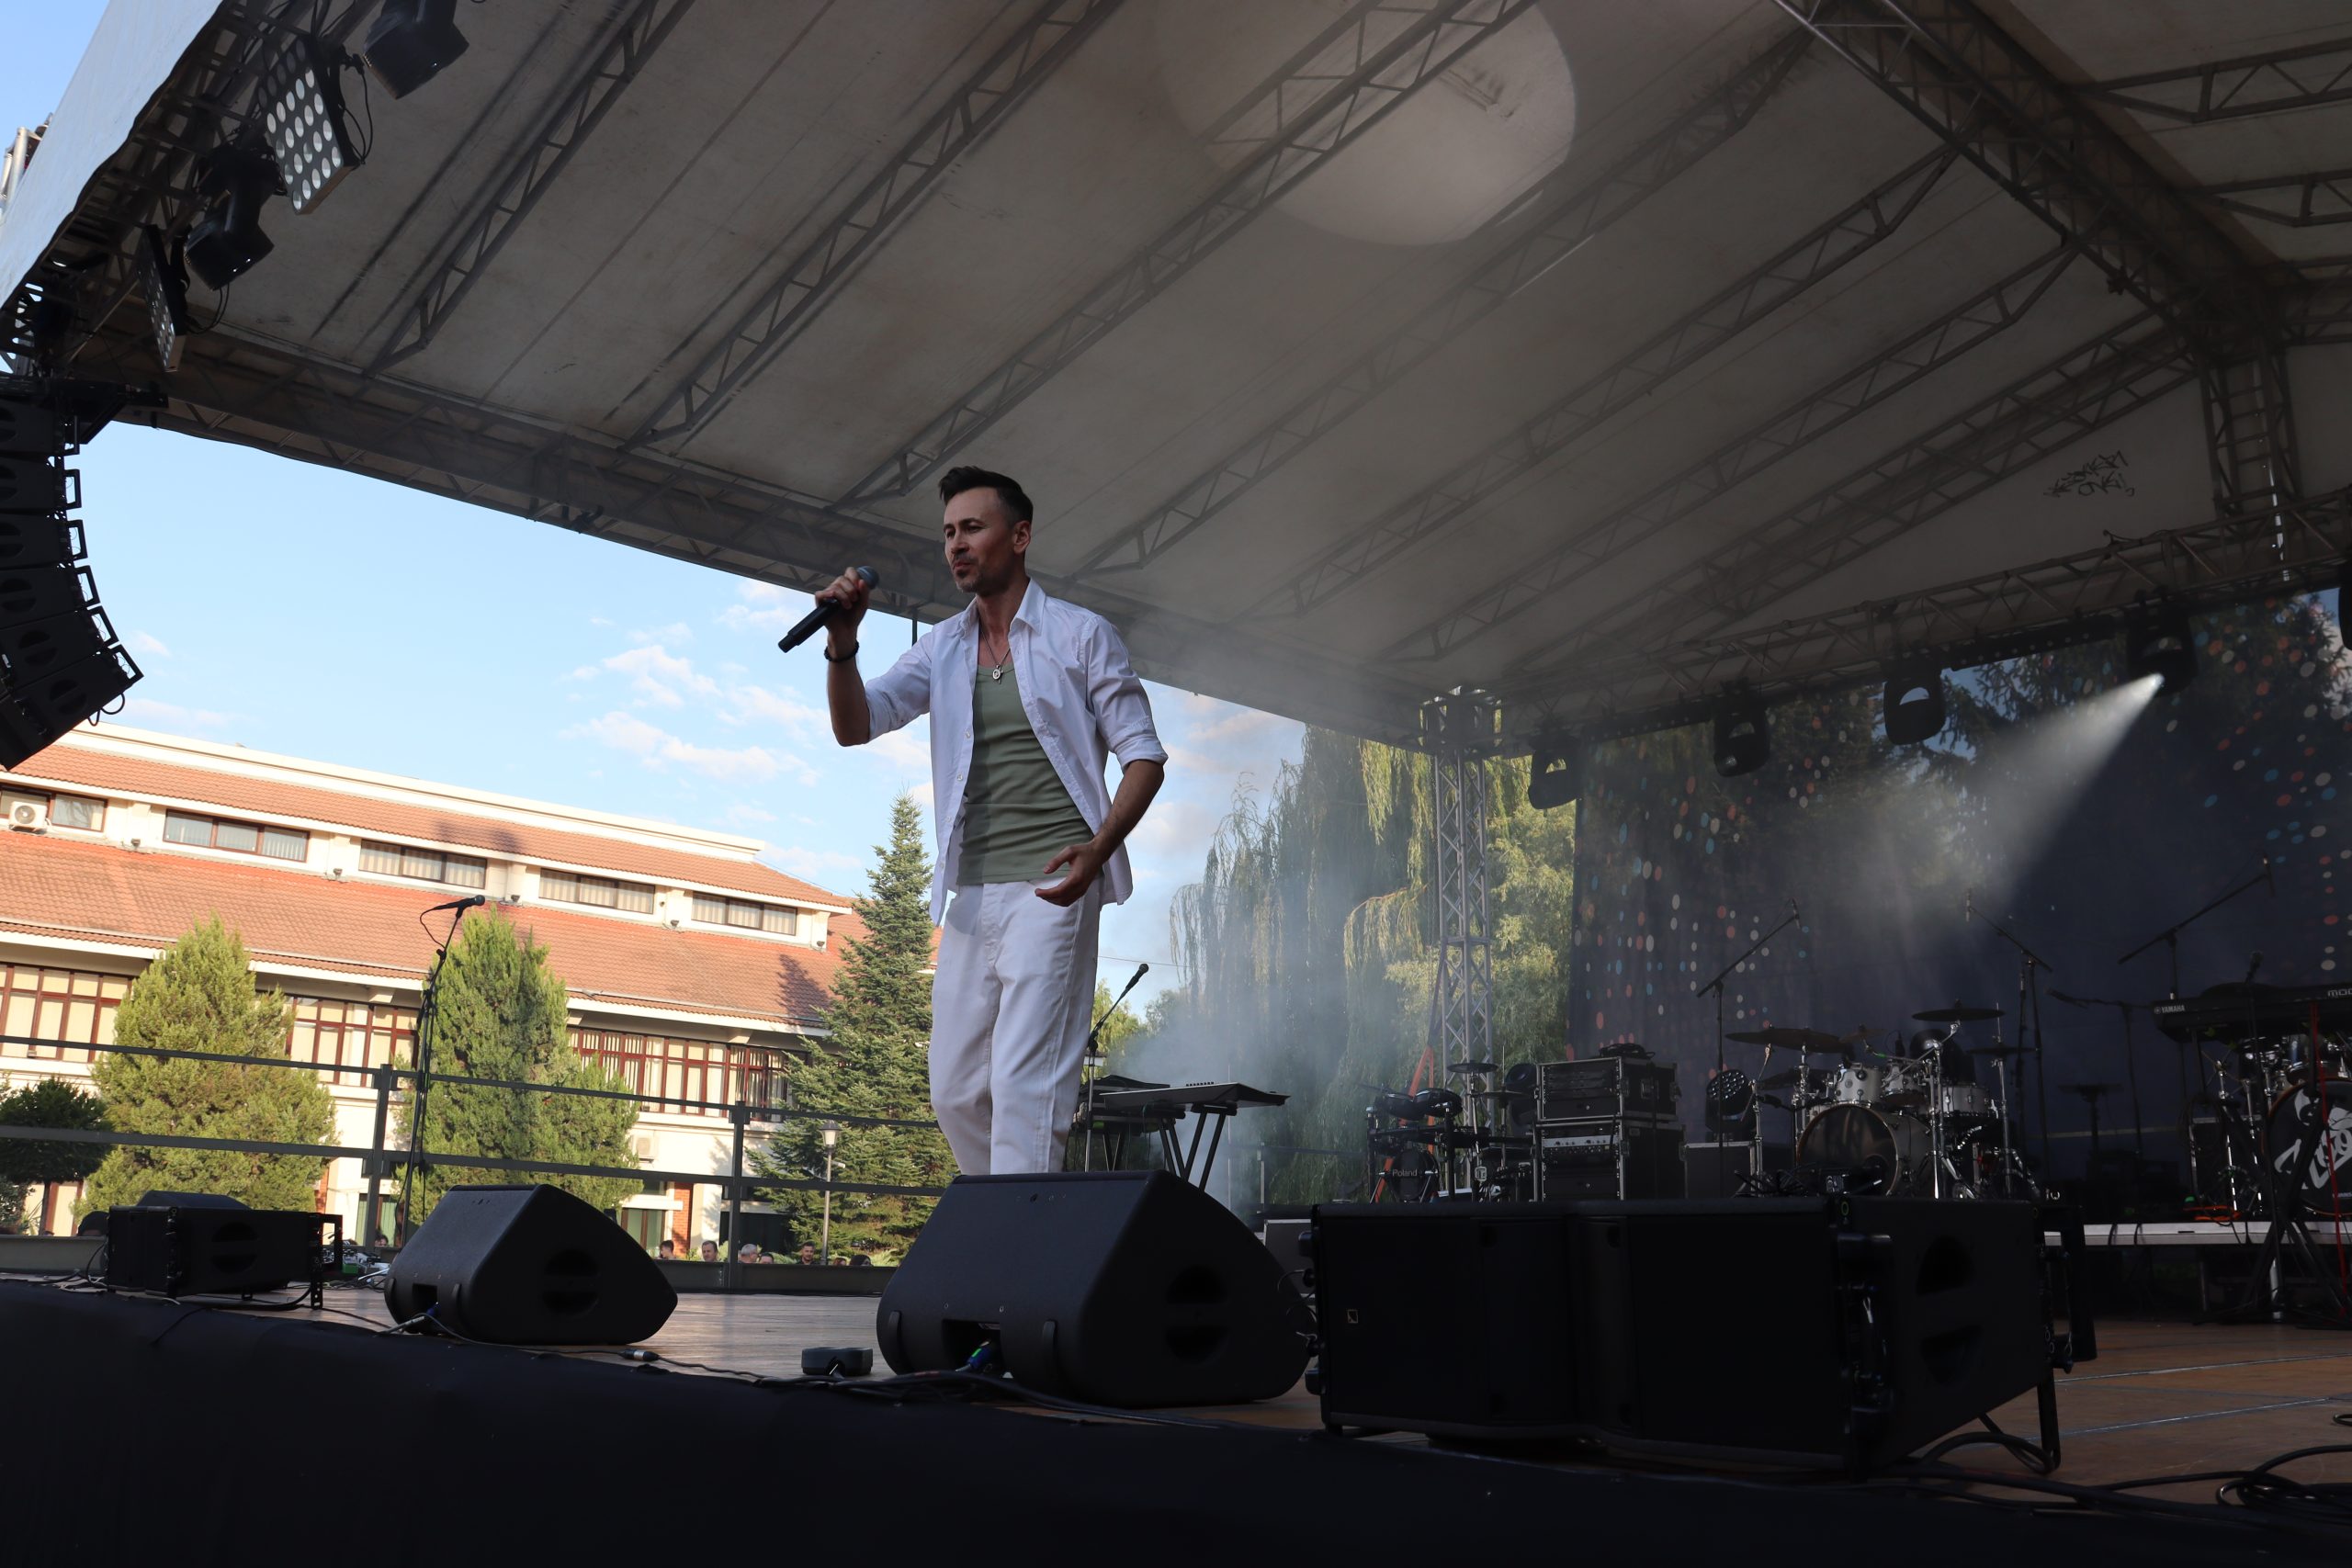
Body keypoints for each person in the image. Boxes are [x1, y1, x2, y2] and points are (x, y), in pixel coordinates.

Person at [818, 467, 1165, 1176]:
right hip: (971, 896)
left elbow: (1144, 757)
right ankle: (1025, 1216)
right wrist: (843, 643)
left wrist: (1098, 849)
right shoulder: (942, 647)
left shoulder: (1081, 635)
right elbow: (856, 725)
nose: (956, 544)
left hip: (1053, 889)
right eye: (948, 532)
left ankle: (1019, 1233)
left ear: (1021, 535)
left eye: (972, 527)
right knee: (953, 1092)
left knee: (1024, 1090)